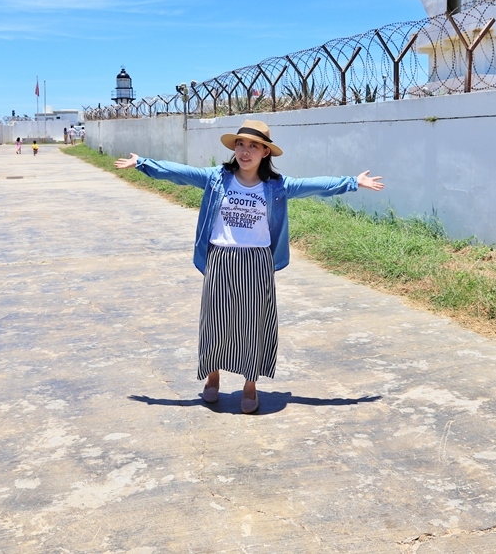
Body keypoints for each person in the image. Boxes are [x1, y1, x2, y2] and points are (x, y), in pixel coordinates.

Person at [114, 119, 384, 414]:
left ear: (265, 152)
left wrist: (352, 182)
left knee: (255, 325)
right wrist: (142, 163)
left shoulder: (277, 187)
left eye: (253, 146)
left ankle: (250, 384)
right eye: (240, 145)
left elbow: (315, 185)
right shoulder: (217, 178)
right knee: (215, 322)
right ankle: (212, 376)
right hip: (220, 258)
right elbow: (179, 173)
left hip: (257, 262)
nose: (244, 152)